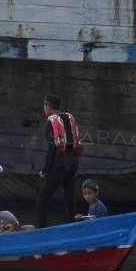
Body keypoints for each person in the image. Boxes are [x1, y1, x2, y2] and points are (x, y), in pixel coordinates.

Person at [36, 94, 84, 228]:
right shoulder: (70, 117)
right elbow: (77, 141)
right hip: (73, 162)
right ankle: (73, 226)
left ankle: (41, 231)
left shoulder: (51, 121)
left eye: (44, 105)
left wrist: (45, 171)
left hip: (60, 165)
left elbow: (53, 148)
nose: (44, 108)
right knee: (69, 197)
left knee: (42, 199)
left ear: (48, 107)